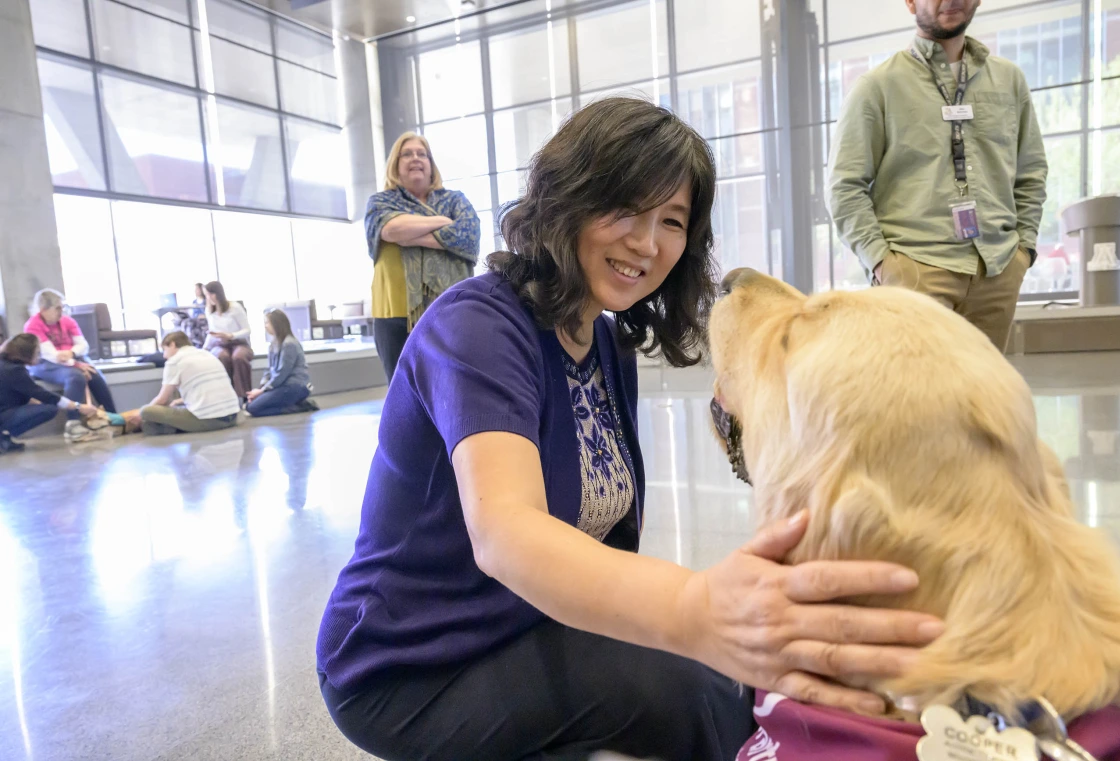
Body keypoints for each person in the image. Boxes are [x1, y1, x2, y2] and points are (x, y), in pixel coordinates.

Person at [317, 97, 944, 761]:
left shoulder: (607, 343)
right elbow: (506, 532)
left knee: (721, 682)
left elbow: (607, 545)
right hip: (410, 664)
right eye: (625, 208)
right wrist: (696, 607)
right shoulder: (476, 324)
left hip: (529, 623)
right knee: (682, 690)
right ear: (567, 198)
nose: (647, 243)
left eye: (671, 221)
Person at [827, 0, 1048, 351]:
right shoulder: (878, 86)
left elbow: (1031, 173)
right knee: (911, 401)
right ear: (910, 2)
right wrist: (884, 264)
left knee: (982, 400)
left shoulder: (1009, 81)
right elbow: (844, 186)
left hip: (997, 269)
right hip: (915, 272)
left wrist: (1023, 253)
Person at [366, 132, 480, 383]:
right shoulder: (380, 202)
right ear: (395, 164)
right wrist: (443, 224)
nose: (415, 158)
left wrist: (409, 235)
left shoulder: (455, 200)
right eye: (406, 154)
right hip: (394, 314)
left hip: (450, 312)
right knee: (403, 392)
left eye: (422, 154)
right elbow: (390, 230)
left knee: (454, 387)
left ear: (431, 165)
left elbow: (469, 237)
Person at [23, 288, 117, 426]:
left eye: (62, 308)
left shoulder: (67, 321)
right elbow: (52, 355)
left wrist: (72, 354)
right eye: (57, 308)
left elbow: (83, 346)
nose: (61, 312)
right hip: (43, 363)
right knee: (75, 377)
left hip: (72, 358)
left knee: (95, 374)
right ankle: (73, 423)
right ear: (43, 310)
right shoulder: (33, 325)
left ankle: (113, 416)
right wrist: (77, 364)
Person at [0, 333, 98, 452]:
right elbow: (42, 394)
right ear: (26, 353)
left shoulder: (5, 365)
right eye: (37, 352)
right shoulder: (15, 370)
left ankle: (4, 438)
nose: (39, 355)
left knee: (43, 406)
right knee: (49, 409)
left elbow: (16, 392)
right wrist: (77, 406)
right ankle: (2, 437)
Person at [139, 331, 240, 436]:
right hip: (233, 417)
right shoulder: (208, 354)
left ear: (172, 344)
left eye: (165, 349)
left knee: (145, 412)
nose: (164, 355)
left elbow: (162, 399)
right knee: (164, 413)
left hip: (210, 420)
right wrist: (179, 401)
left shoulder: (174, 361)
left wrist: (141, 416)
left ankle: (170, 427)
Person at [245, 309, 314, 417]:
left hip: (293, 386)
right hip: (280, 386)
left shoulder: (289, 344)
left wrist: (262, 391)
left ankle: (300, 407)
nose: (265, 326)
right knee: (250, 405)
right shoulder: (274, 344)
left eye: (267, 323)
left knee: (253, 408)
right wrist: (261, 387)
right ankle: (292, 404)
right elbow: (269, 370)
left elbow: (282, 373)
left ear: (277, 324)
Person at [201, 281, 253, 398]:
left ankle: (244, 395)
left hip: (238, 342)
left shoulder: (234, 308)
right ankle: (226, 396)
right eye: (206, 295)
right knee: (221, 357)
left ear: (218, 293)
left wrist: (231, 336)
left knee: (238, 357)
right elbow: (211, 333)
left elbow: (247, 330)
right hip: (219, 344)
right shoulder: (209, 311)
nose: (209, 298)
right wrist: (203, 350)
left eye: (211, 294)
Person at [179, 282, 210, 348]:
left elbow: (210, 312)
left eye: (197, 289)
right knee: (184, 322)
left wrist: (204, 315)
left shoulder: (207, 301)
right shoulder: (194, 302)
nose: (195, 291)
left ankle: (196, 344)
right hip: (195, 319)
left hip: (204, 319)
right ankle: (186, 343)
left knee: (190, 323)